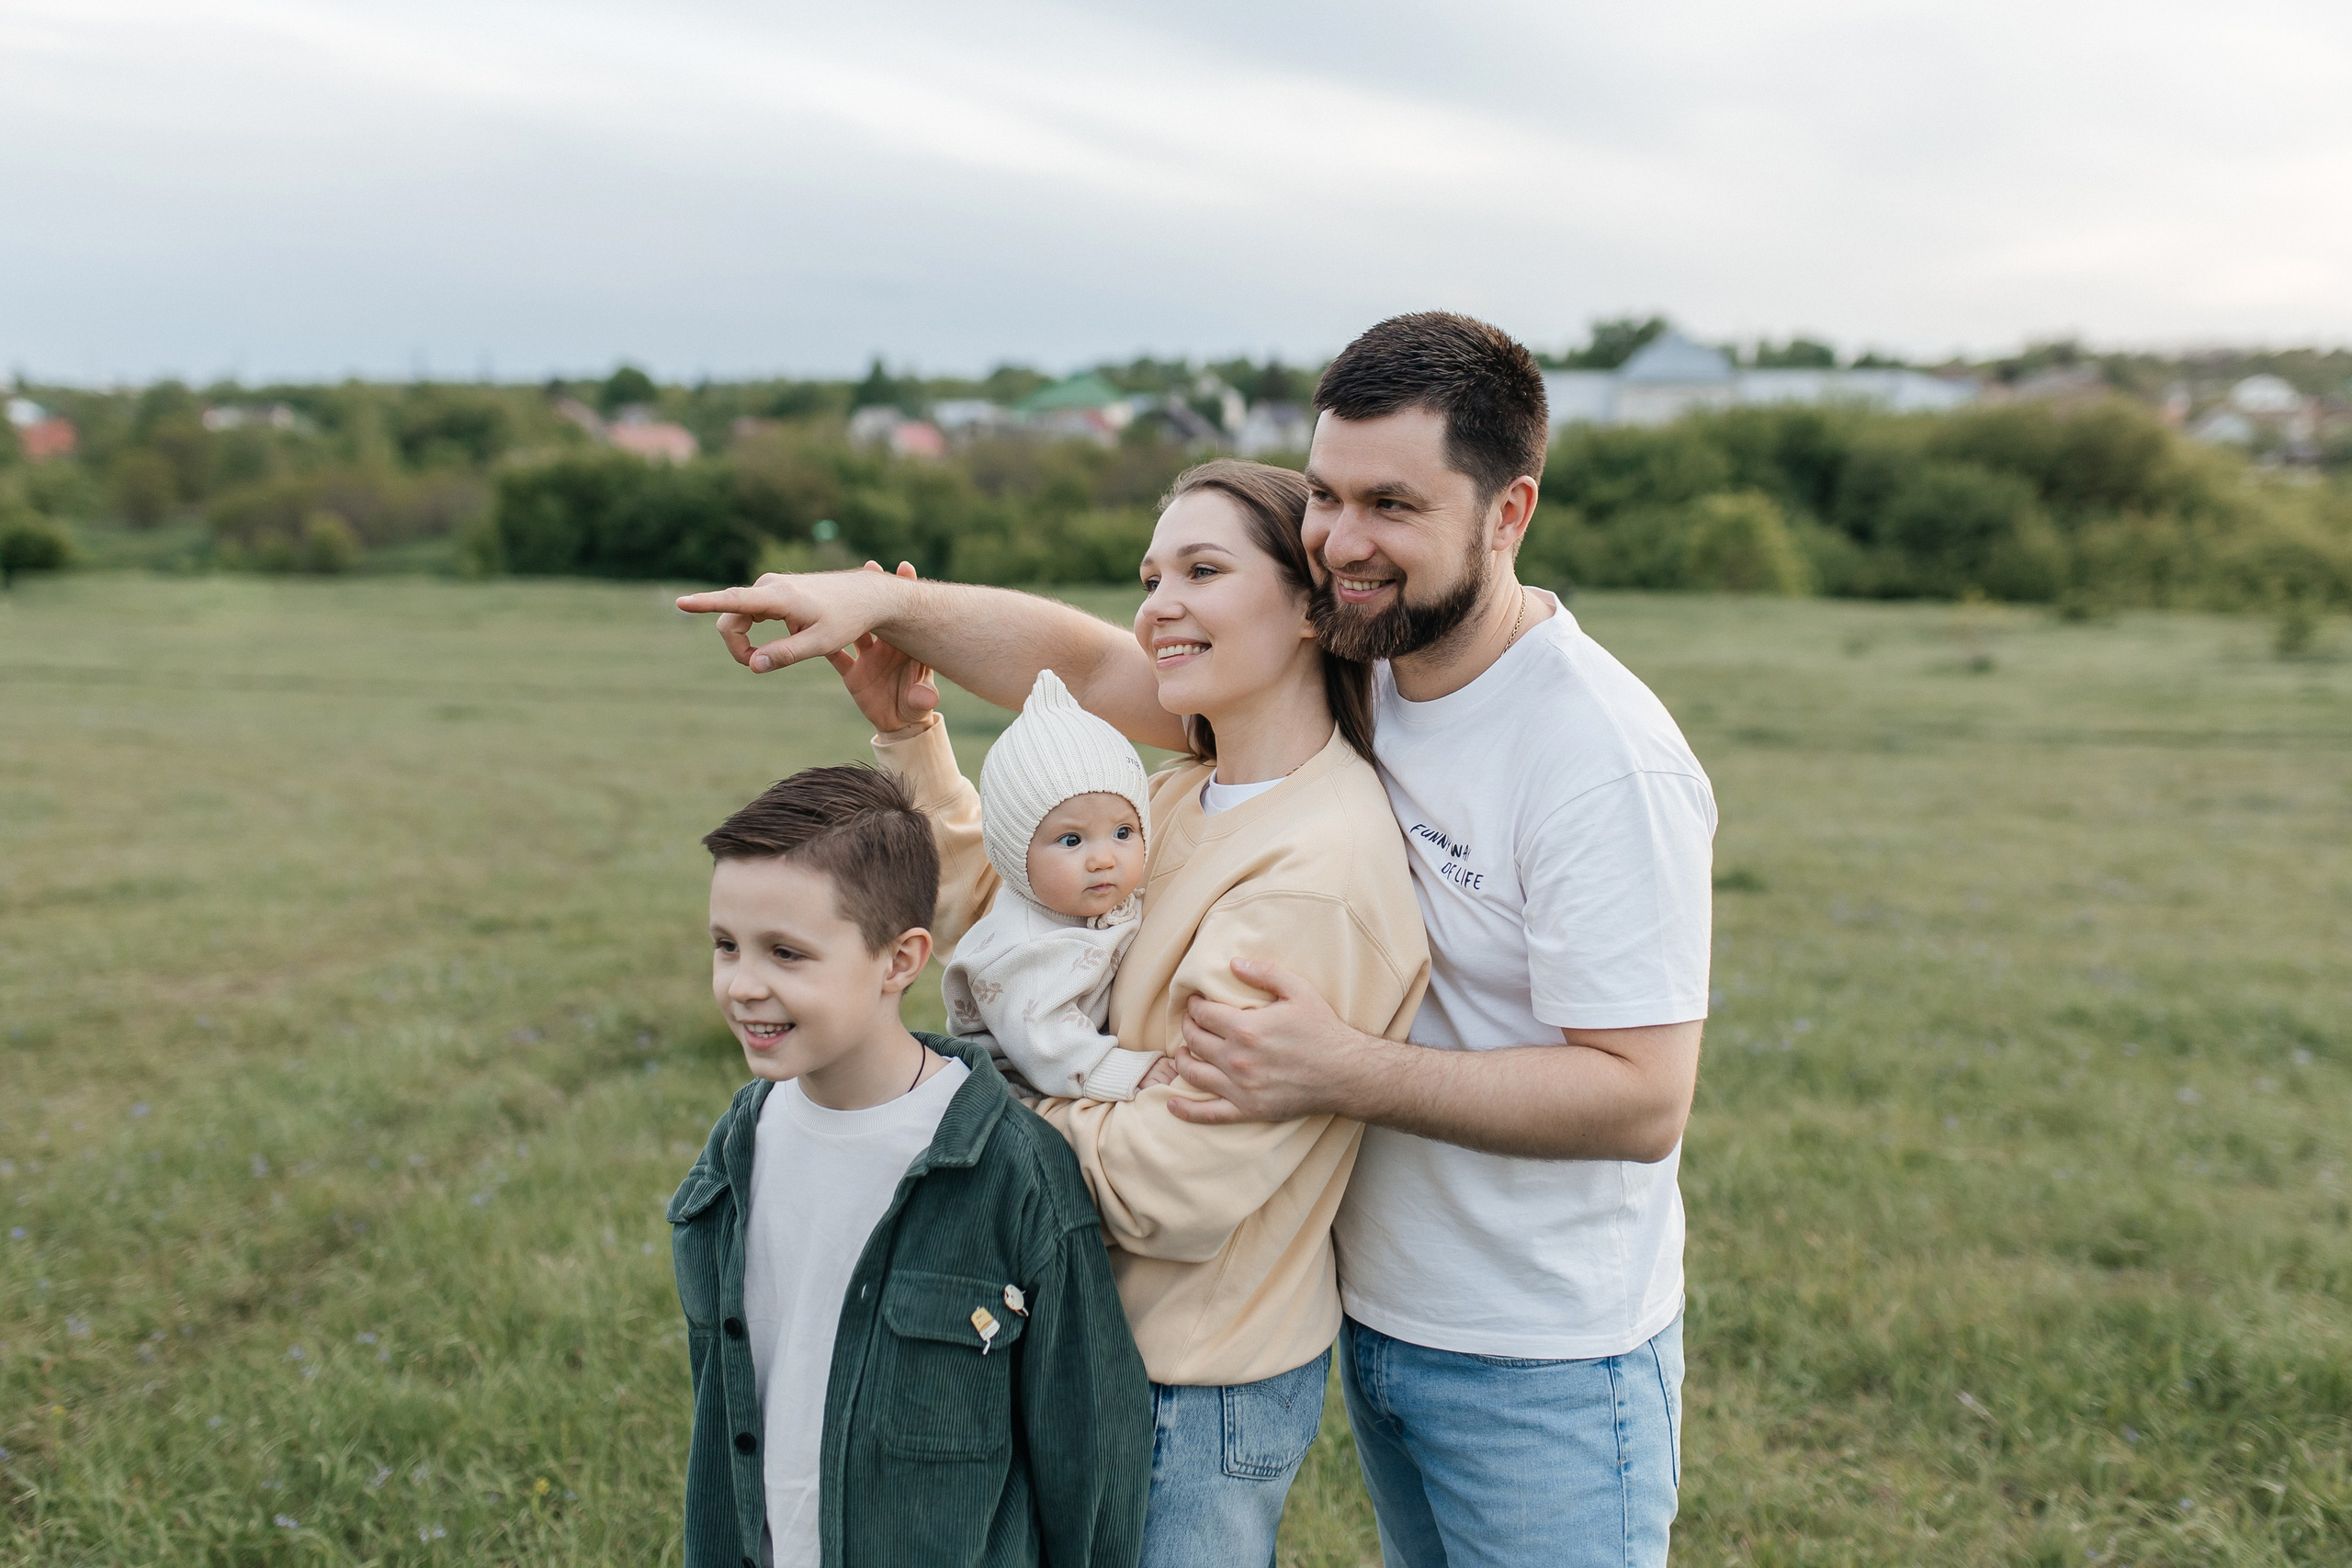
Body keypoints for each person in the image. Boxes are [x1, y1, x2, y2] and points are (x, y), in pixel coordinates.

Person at [677, 312, 1713, 1568]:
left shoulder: (1595, 754)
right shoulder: (1341, 683)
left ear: (1509, 513)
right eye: (1327, 495)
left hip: (1533, 1338)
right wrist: (875, 625)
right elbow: (1079, 693)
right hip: (1372, 1299)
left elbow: (1644, 1095)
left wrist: (955, 1117)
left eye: (1392, 502)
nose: (1344, 540)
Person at [791, 460, 1430, 1568]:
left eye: (1202, 569)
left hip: (1187, 1390)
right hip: (1088, 1343)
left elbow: (1167, 1183)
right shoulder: (1181, 788)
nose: (1156, 604)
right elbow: (1018, 941)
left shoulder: (1314, 875)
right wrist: (912, 739)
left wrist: (962, 1108)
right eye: (1151, 574)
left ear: (1310, 607)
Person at [667, 764, 1151, 1568]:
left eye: (787, 953)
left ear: (901, 960)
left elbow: (1089, 1448)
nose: (744, 984)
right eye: (726, 946)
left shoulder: (1010, 1171)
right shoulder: (739, 1147)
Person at [942, 667, 1175, 1102]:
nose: (1104, 858)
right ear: (1015, 853)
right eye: (1071, 840)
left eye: (1124, 832)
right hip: (1016, 1099)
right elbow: (1041, 1037)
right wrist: (1121, 1071)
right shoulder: (1022, 949)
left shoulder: (1087, 901)